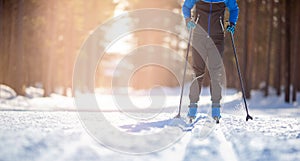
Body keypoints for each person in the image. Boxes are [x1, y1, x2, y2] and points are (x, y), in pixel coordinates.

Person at [182, 0, 239, 122]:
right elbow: (186, 7)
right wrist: (188, 20)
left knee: (215, 72)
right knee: (198, 71)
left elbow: (234, 9)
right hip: (198, 36)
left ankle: (216, 109)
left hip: (217, 38)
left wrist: (232, 23)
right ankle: (192, 108)